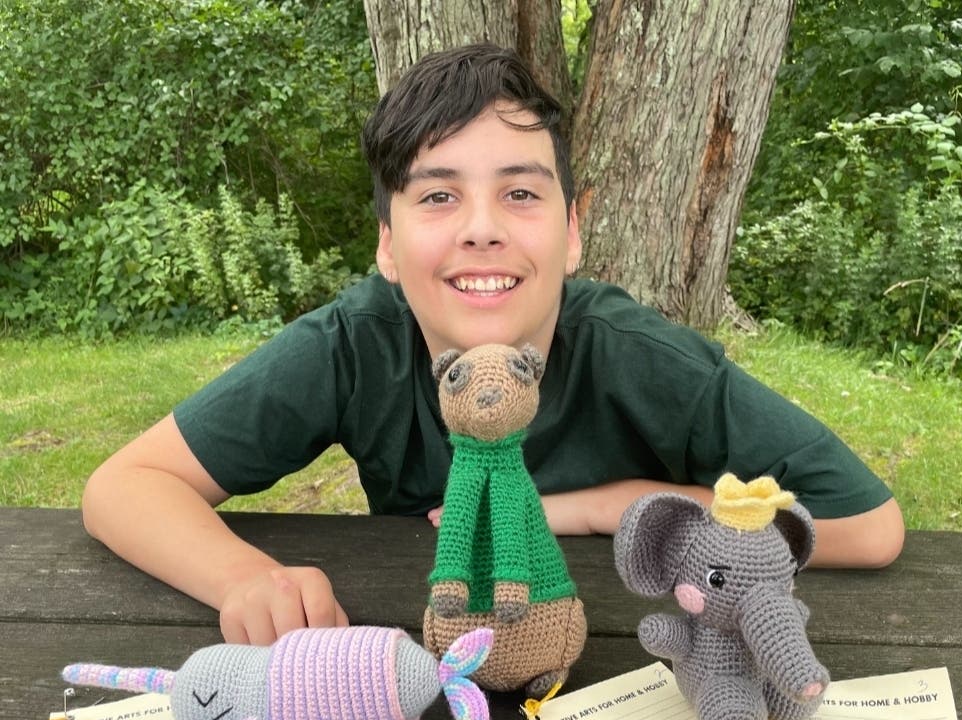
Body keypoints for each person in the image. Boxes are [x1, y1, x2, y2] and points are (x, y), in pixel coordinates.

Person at [81, 43, 904, 646]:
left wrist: (607, 508)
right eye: (438, 196)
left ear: (573, 231)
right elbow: (126, 484)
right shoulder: (354, 345)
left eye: (519, 192)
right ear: (388, 245)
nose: (481, 229)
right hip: (429, 673)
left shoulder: (646, 360)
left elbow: (866, 526)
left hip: (648, 658)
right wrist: (244, 578)